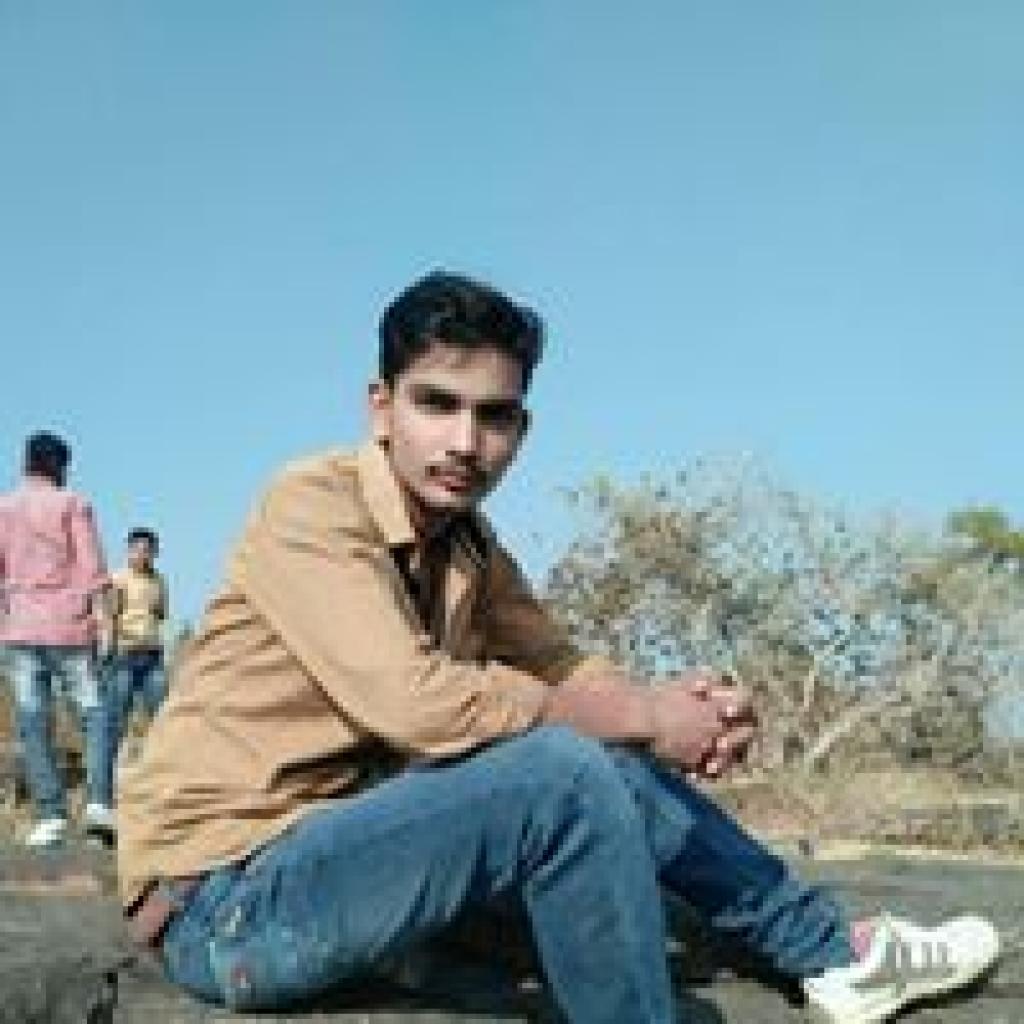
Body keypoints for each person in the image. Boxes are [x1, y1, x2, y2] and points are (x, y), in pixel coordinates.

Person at [116, 273, 998, 1024]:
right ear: (380, 407)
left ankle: (831, 954)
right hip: (225, 904)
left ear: (521, 430)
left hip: (348, 856)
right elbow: (416, 705)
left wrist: (686, 711)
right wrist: (642, 718)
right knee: (563, 773)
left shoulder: (470, 547)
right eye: (436, 404)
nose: (465, 442)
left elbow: (565, 667)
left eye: (493, 416)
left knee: (596, 760)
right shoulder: (311, 503)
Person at [0, 431, 116, 847]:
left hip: (20, 628)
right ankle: (98, 803)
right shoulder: (73, 503)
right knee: (95, 713)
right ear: (60, 466)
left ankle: (51, 817)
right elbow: (92, 568)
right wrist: (105, 621)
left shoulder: (5, 508)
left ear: (26, 462)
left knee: (33, 722)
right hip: (69, 626)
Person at [108, 528, 168, 745]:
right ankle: (113, 760)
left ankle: (161, 758)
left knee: (162, 712)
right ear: (128, 551)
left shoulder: (159, 580)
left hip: (152, 655)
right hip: (125, 654)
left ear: (155, 553)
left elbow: (160, 614)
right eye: (137, 550)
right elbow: (110, 616)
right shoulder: (117, 579)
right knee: (118, 714)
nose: (142, 555)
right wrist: (109, 651)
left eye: (147, 551)